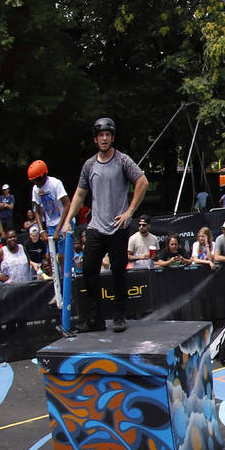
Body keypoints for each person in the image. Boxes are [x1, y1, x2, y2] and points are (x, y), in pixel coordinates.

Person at [61, 117, 149, 333]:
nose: (104, 138)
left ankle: (119, 315)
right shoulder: (89, 165)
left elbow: (143, 182)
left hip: (118, 227)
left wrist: (130, 211)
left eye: (108, 135)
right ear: (95, 139)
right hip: (95, 227)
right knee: (89, 270)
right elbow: (80, 194)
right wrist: (67, 221)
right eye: (101, 135)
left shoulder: (122, 160)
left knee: (119, 271)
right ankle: (95, 319)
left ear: (112, 137)